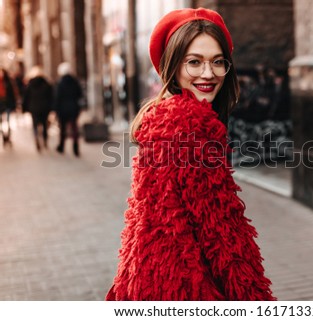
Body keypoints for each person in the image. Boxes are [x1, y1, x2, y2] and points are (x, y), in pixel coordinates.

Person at [106, 8, 275, 301]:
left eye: (217, 62)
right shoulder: (191, 128)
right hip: (187, 291)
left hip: (149, 282)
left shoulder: (160, 119)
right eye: (194, 62)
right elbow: (225, 237)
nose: (208, 74)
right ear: (172, 66)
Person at [54, 62, 83, 156]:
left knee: (62, 128)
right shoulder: (75, 81)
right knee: (74, 128)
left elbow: (57, 97)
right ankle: (75, 148)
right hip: (73, 107)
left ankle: (61, 146)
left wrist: (56, 110)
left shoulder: (60, 83)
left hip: (63, 109)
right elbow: (79, 94)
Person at [22, 66, 53, 152]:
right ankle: (45, 140)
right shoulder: (46, 84)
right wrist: (51, 107)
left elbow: (26, 98)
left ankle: (36, 138)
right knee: (44, 125)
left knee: (35, 125)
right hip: (44, 108)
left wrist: (24, 108)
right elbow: (51, 97)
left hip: (34, 108)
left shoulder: (30, 84)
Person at [0, 68, 17, 147]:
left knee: (8, 121)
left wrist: (14, 105)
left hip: (7, 104)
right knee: (1, 122)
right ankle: (4, 136)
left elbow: (12, 94)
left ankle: (8, 137)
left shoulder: (7, 82)